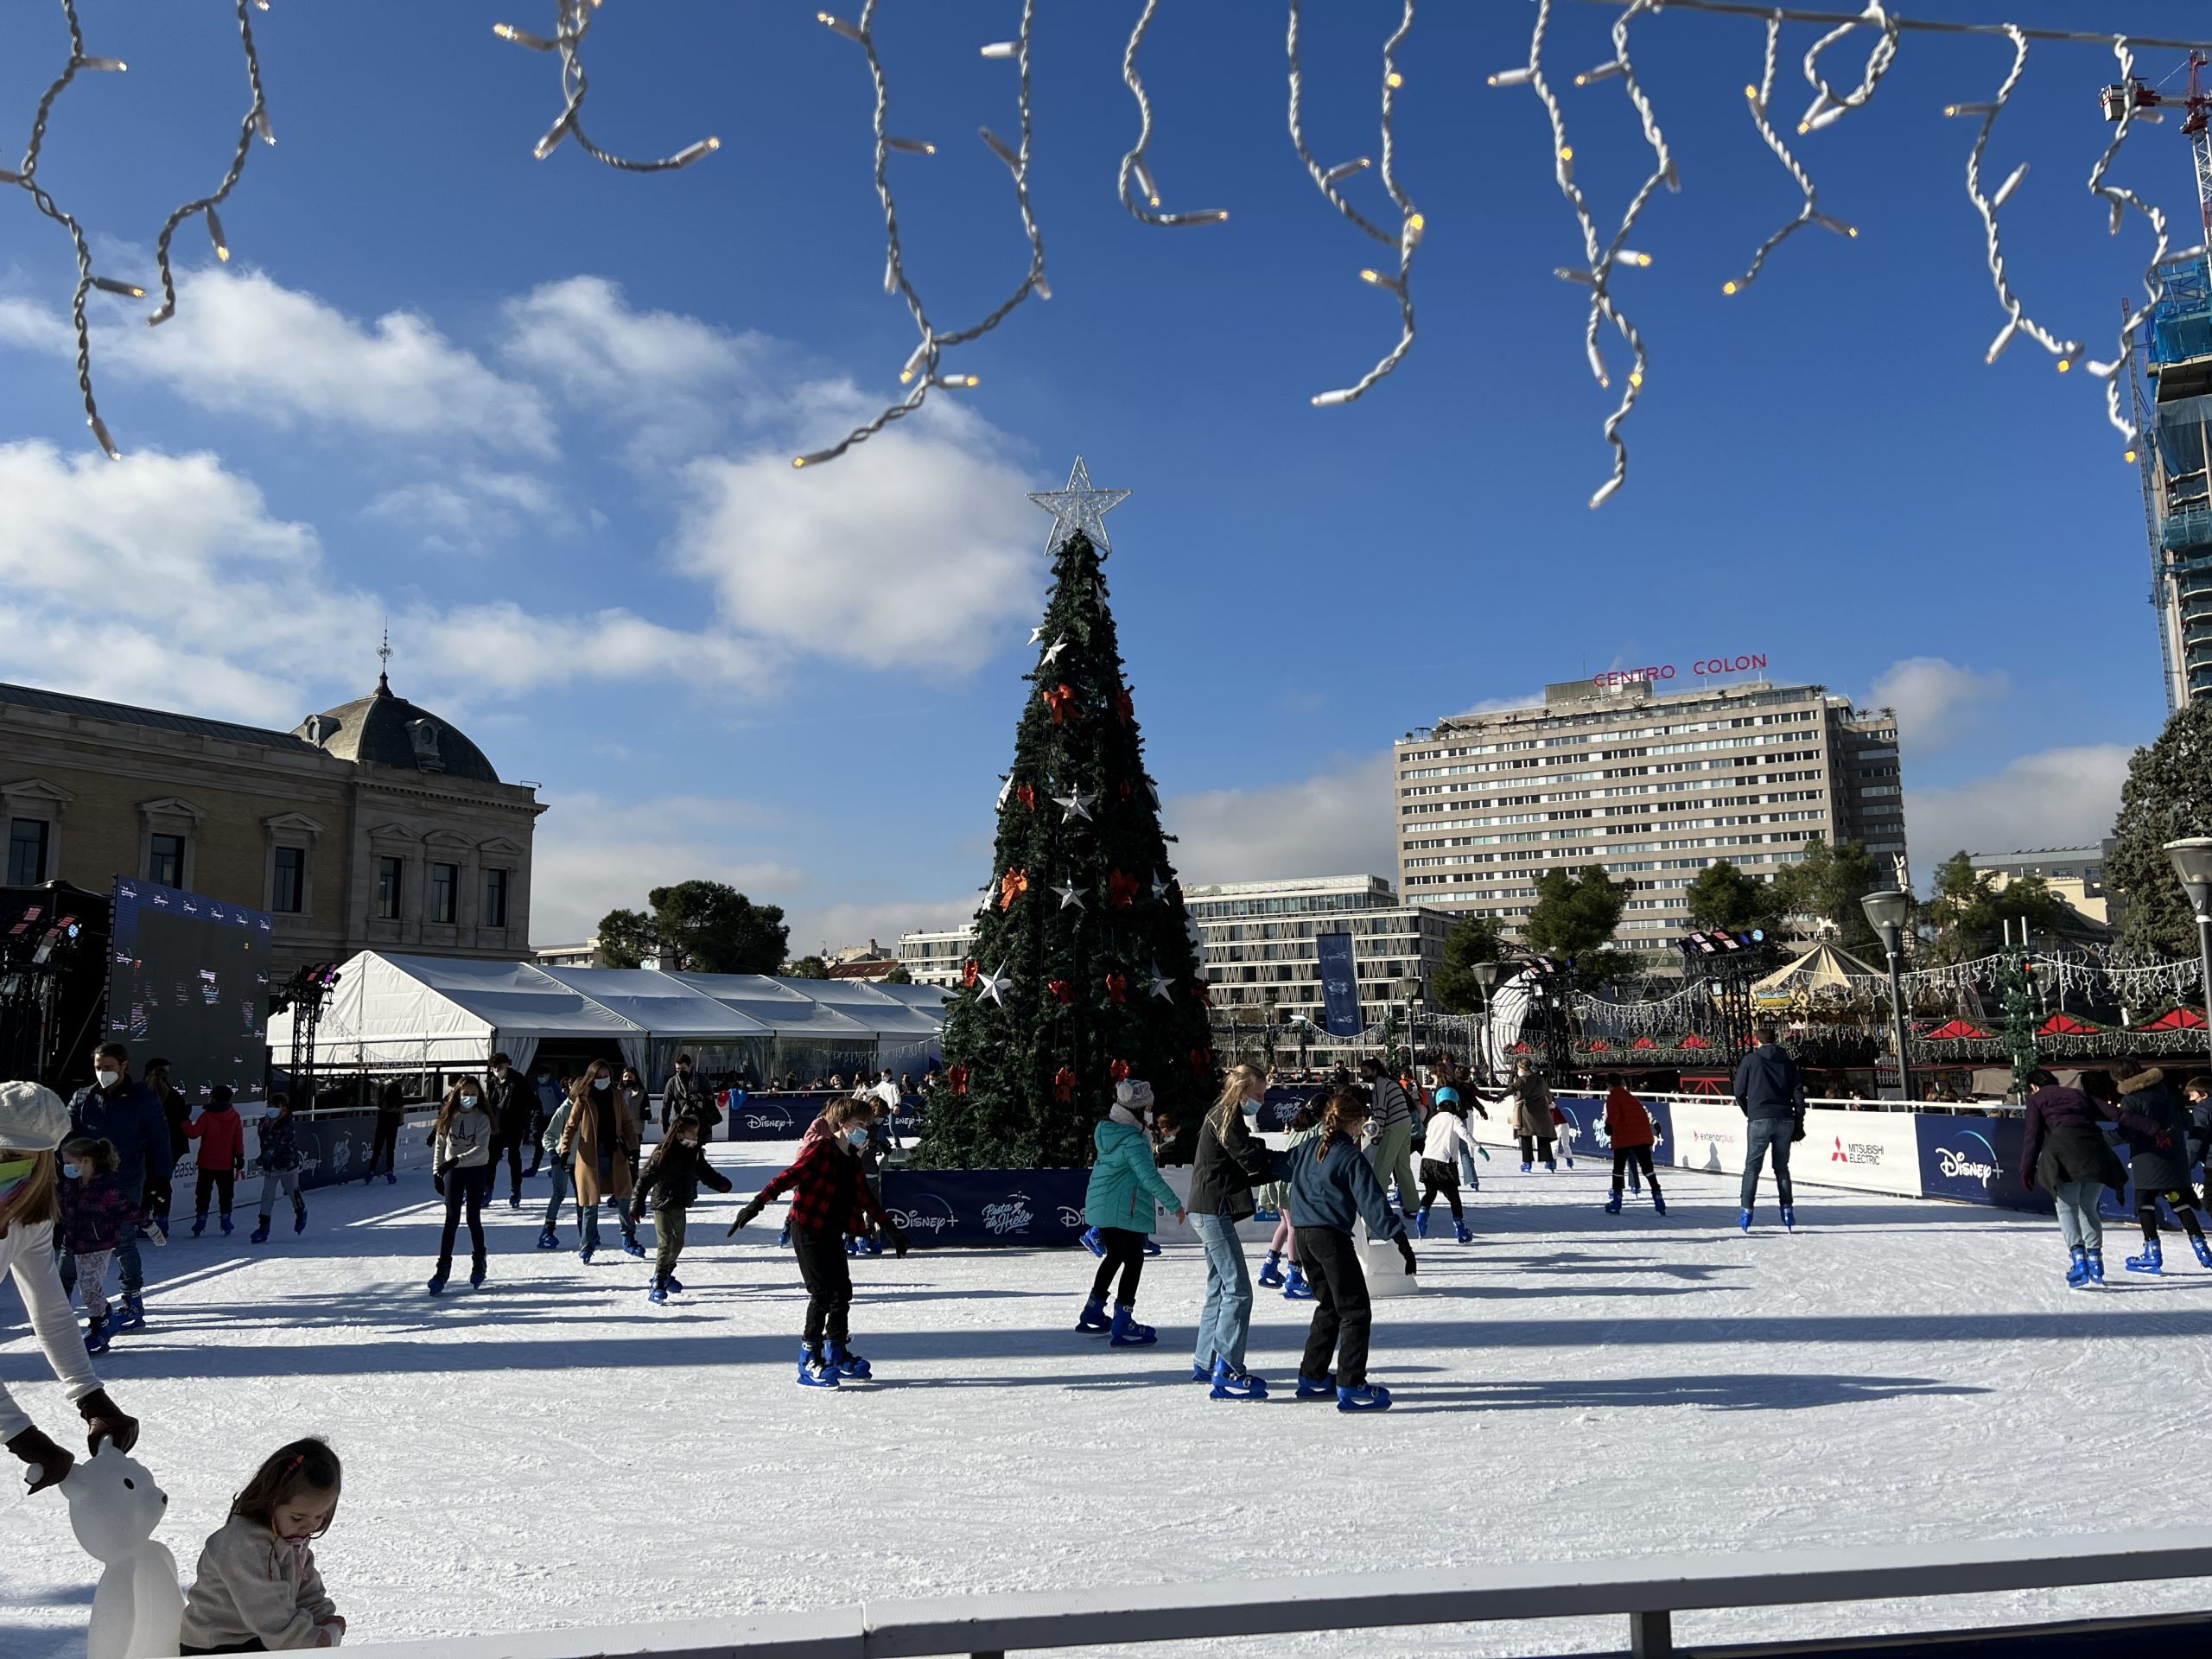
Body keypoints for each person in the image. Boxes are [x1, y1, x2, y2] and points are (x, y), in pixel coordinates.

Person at [0, 1080, 140, 1496]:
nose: (1, 1162)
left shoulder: (32, 1220)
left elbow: (51, 1311)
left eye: (12, 1157)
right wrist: (21, 1434)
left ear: (42, 1161)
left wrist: (91, 1398)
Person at [729, 1098, 909, 1387]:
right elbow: (788, 1177)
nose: (866, 1130)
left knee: (842, 1292)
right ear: (843, 1124)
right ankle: (808, 1359)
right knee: (822, 1293)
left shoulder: (851, 1159)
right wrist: (756, 1204)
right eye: (862, 1125)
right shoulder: (820, 1150)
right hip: (808, 1229)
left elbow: (865, 1196)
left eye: (867, 1125)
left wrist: (891, 1230)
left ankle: (836, 1350)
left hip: (832, 1231)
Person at [1287, 1090, 1413, 1413]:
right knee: (1356, 1311)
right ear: (1356, 1123)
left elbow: (1279, 1164)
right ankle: (1351, 1383)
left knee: (1330, 1305)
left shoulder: (1310, 1147)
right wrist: (1399, 1239)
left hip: (1303, 1237)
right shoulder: (1348, 1156)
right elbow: (1371, 1202)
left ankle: (1312, 1376)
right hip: (1330, 1239)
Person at [179, 1437, 346, 1653]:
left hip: (261, 1638)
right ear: (272, 1501)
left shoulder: (291, 1540)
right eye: (298, 1518)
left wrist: (325, 1618)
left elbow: (306, 1591)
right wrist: (318, 1641)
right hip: (217, 1647)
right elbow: (273, 1619)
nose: (309, 1527)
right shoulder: (242, 1547)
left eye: (320, 1517)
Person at [1185, 1064, 1277, 1400]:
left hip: (1204, 1207)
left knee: (1219, 1287)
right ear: (1240, 1093)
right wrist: (1287, 1161)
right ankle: (1227, 1369)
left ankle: (1205, 1361)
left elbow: (1247, 1156)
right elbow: (1249, 1159)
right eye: (1257, 1095)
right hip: (1213, 1211)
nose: (1262, 1101)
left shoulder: (1222, 1114)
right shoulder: (1227, 1118)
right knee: (1239, 1290)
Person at [65, 1041, 168, 1332]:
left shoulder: (143, 1099)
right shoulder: (83, 1097)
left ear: (124, 1066)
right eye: (98, 1068)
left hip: (125, 1178)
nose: (102, 1073)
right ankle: (59, 1308)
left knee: (122, 1240)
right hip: (84, 1181)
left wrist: (161, 1179)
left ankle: (132, 1300)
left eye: (108, 1067)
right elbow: (65, 1132)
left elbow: (160, 1139)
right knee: (71, 1243)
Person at [1077, 1079, 1186, 1347]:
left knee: (1115, 1256)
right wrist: (1175, 1205)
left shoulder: (1110, 1132)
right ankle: (1124, 1322)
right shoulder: (1133, 1142)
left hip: (1103, 1206)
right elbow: (1149, 1178)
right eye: (1147, 1107)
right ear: (1137, 1110)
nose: (1150, 1112)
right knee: (1134, 1260)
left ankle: (1092, 1310)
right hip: (1123, 1209)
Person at [2021, 1067, 2130, 1287]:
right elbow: (2116, 1114)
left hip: (2065, 1155)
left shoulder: (2037, 1098)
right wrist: (2152, 1127)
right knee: (2088, 1207)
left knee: (2066, 1207)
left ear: (2033, 1086)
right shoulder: (2079, 1094)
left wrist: (2027, 1168)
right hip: (2095, 1153)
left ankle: (2079, 1261)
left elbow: (2033, 1136)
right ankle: (2096, 1262)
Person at [2111, 1067, 2212, 1276]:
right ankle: (2203, 1249)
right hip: (2173, 1160)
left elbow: (2126, 1133)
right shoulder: (2168, 1093)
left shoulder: (2132, 1100)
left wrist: (2097, 1139)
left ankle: (2152, 1253)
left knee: (2145, 1204)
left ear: (2121, 1078)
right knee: (2179, 1203)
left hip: (2147, 1162)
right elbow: (2187, 1122)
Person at [630, 1110, 733, 1302]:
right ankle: (658, 1280)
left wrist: (720, 1183)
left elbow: (706, 1173)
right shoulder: (664, 1154)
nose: (696, 1137)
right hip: (662, 1204)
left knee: (678, 1242)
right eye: (692, 1133)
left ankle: (667, 1272)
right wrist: (636, 1205)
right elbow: (644, 1181)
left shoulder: (693, 1155)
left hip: (680, 1204)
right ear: (680, 1134)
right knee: (666, 1242)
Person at [557, 1058, 642, 1264]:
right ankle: (587, 1245)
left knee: (624, 1198)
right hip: (590, 1157)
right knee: (590, 1203)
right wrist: (564, 1149)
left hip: (616, 1154)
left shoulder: (616, 1096)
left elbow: (627, 1124)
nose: (603, 1080)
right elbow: (570, 1126)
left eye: (607, 1076)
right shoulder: (584, 1098)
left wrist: (634, 1148)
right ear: (592, 1077)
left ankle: (628, 1238)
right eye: (599, 1076)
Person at [56, 1135, 134, 1355]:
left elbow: (125, 1206)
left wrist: (148, 1224)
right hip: (77, 1242)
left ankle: (101, 1324)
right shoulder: (73, 1184)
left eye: (70, 1162)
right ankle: (105, 1318)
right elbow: (64, 1207)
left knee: (90, 1287)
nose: (67, 1167)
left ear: (86, 1161)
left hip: (99, 1242)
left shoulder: (105, 1185)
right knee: (87, 1287)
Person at [1732, 1026, 1806, 1231]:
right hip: (1785, 1119)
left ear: (1757, 1041)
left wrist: (1751, 1112)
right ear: (1776, 1039)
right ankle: (1787, 1211)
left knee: (1752, 1167)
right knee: (1781, 1167)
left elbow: (1738, 1091)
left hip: (1759, 1119)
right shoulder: (1789, 1063)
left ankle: (1746, 1212)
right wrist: (1798, 1121)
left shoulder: (1750, 1061)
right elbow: (1798, 1095)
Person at [427, 1076, 493, 1294]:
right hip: (452, 1170)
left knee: (473, 1217)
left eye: (474, 1094)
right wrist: (438, 1171)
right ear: (458, 1094)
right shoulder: (448, 1116)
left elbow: (481, 1149)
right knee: (451, 1218)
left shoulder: (482, 1118)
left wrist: (456, 1161)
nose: (469, 1098)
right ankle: (442, 1270)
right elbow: (440, 1145)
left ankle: (479, 1263)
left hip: (476, 1169)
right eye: (466, 1094)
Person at [1261, 1095, 1326, 1299]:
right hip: (1290, 1180)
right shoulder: (1319, 1129)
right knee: (1294, 1227)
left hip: (1278, 1177)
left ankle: (1269, 1266)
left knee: (1284, 1223)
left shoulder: (1299, 1127)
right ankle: (1294, 1276)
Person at [1359, 1056, 1420, 1217]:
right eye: (1361, 1072)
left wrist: (1377, 1133)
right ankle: (1413, 1206)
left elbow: (1380, 1110)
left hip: (1394, 1125)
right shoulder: (1390, 1081)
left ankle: (1375, 1208)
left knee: (1382, 1165)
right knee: (1402, 1166)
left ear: (1375, 1070)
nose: (1363, 1074)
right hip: (1405, 1123)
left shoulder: (1380, 1083)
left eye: (1366, 1071)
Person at [186, 1085, 247, 1236]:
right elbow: (237, 1139)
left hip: (207, 1162)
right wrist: (240, 1157)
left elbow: (193, 1133)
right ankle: (226, 1221)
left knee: (203, 1193)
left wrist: (183, 1121)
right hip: (226, 1163)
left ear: (213, 1097)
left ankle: (200, 1221)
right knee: (226, 1194)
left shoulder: (207, 1115)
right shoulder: (234, 1115)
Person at [1415, 1095, 1477, 1243]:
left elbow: (1428, 1135)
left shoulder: (1433, 1119)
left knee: (1430, 1193)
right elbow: (1464, 1133)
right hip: (1444, 1162)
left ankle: (1422, 1214)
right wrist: (1477, 1146)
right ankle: (1461, 1229)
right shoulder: (1454, 1119)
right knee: (1454, 1196)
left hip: (1427, 1160)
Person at [249, 1094, 308, 1245]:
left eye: (275, 1106)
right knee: (267, 1196)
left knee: (293, 1192)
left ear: (283, 1107)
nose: (271, 1108)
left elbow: (280, 1145)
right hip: (270, 1168)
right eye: (270, 1105)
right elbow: (265, 1143)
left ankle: (301, 1212)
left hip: (287, 1164)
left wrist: (264, 1158)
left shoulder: (287, 1125)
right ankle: (263, 1227)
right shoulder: (264, 1123)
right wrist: (264, 1158)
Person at [141, 1057, 189, 1241]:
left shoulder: (140, 1093)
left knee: (144, 1183)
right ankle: (162, 1221)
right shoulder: (174, 1096)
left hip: (146, 1146)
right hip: (170, 1146)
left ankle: (144, 1221)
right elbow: (182, 1119)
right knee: (161, 1182)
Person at [1603, 1080, 1665, 1216]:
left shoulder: (1613, 1097)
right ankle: (1658, 1197)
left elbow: (1612, 1114)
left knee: (1618, 1169)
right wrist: (1654, 1122)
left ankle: (1617, 1201)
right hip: (1641, 1137)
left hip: (1624, 1137)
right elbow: (1644, 1111)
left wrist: (1608, 1126)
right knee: (1648, 1169)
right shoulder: (1632, 1098)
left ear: (1610, 1085)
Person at [486, 1052, 535, 1208]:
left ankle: (516, 1190)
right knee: (491, 1160)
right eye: (494, 1068)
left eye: (499, 1067)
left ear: (507, 1064)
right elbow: (489, 1102)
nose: (496, 1070)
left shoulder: (518, 1081)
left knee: (514, 1158)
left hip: (514, 1125)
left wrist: (528, 1124)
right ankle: (487, 1191)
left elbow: (530, 1102)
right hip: (495, 1126)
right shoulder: (492, 1082)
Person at [535, 1084, 576, 1250]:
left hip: (581, 1160)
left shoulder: (588, 1109)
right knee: (559, 1194)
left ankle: (588, 1232)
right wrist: (553, 1152)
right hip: (563, 1159)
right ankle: (548, 1230)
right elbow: (548, 1135)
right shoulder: (564, 1110)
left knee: (584, 1197)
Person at [661, 1052, 717, 1138]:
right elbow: (666, 1104)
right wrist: (665, 1123)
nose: (680, 1072)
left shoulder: (702, 1080)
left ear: (690, 1066)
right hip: (681, 1123)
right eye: (677, 1069)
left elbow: (711, 1102)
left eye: (683, 1068)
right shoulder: (672, 1082)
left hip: (699, 1124)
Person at [363, 1078, 404, 1186]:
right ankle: (389, 1172)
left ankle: (371, 1172)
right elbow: (401, 1120)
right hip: (392, 1128)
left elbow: (380, 1113)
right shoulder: (399, 1104)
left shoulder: (384, 1101)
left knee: (377, 1150)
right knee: (390, 1150)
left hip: (381, 1127)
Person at [528, 1065, 563, 1176]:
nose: (541, 1078)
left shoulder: (555, 1086)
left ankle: (555, 1168)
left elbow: (562, 1102)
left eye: (542, 1075)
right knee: (538, 1144)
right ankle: (534, 1167)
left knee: (554, 1144)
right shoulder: (538, 1087)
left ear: (548, 1075)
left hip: (553, 1117)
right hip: (541, 1116)